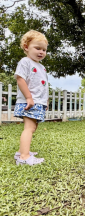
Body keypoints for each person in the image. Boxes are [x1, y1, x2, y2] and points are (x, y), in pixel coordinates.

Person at [13, 30, 49, 166]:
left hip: (38, 102)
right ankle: (24, 157)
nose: (41, 52)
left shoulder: (41, 67)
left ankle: (22, 151)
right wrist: (28, 98)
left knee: (33, 127)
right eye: (37, 48)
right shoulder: (25, 62)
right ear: (26, 47)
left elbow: (42, 86)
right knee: (29, 128)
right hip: (29, 101)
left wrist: (45, 101)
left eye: (44, 50)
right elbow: (20, 80)